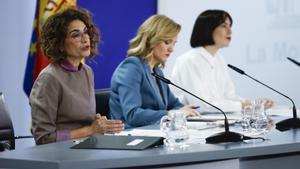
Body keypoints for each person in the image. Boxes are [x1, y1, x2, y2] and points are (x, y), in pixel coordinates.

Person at [30, 7, 124, 145]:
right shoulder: (49, 78)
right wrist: (90, 130)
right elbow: (44, 137)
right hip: (59, 155)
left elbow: (83, 121)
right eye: (76, 35)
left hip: (86, 148)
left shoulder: (87, 71)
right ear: (60, 44)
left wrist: (97, 122)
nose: (85, 38)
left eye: (86, 32)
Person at [170, 9, 273, 113]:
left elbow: (229, 96)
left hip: (213, 121)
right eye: (224, 26)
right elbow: (201, 105)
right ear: (208, 29)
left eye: (230, 26)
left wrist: (253, 104)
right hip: (189, 123)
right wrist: (242, 105)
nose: (230, 31)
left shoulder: (219, 59)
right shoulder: (189, 61)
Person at [109, 15, 199, 129]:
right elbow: (132, 114)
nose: (171, 49)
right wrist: (169, 114)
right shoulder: (131, 67)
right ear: (151, 39)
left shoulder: (157, 70)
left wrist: (185, 110)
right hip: (127, 136)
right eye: (167, 42)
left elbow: (174, 105)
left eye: (174, 43)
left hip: (152, 132)